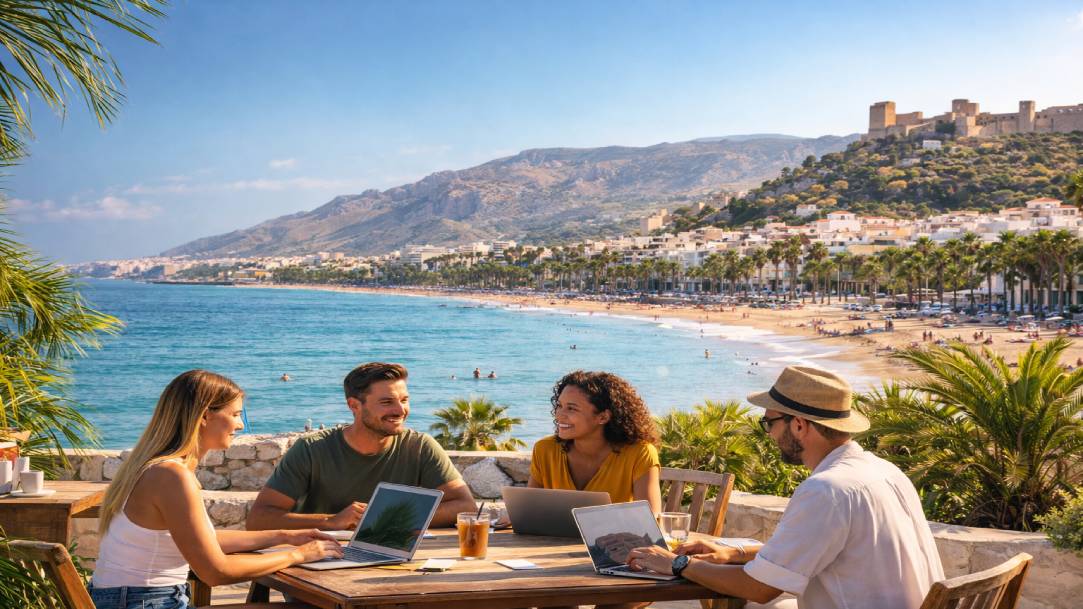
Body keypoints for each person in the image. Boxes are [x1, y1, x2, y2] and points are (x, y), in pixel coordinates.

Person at [626, 365, 944, 609]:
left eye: (770, 423)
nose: (769, 434)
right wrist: (732, 552)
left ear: (799, 425)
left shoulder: (827, 490)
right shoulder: (884, 472)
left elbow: (760, 588)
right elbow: (824, 552)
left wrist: (678, 564)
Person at [89, 370, 341, 609]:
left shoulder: (154, 467)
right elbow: (215, 572)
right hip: (145, 601)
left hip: (132, 599)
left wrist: (283, 536)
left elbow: (202, 541)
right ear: (205, 416)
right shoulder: (171, 475)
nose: (240, 425)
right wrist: (299, 555)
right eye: (234, 415)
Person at [247, 362, 476, 531]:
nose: (400, 410)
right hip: (317, 564)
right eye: (387, 402)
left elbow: (464, 506)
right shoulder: (311, 449)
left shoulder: (420, 446)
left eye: (404, 400)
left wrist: (384, 518)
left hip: (392, 561)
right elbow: (259, 519)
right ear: (354, 405)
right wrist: (331, 521)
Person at [527, 370, 661, 512]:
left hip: (617, 535)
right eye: (559, 406)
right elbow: (528, 510)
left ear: (603, 417)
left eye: (571, 408)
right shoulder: (545, 449)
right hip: (551, 535)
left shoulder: (639, 453)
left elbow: (651, 519)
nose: (559, 415)